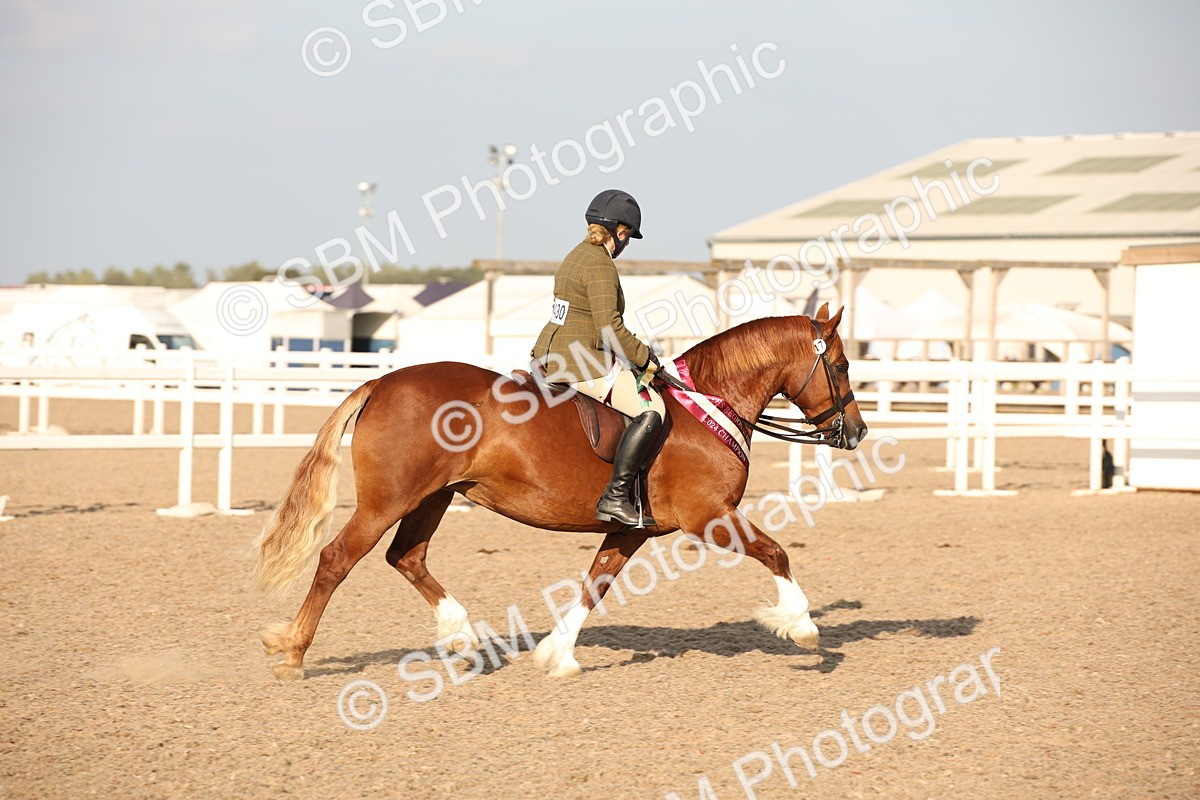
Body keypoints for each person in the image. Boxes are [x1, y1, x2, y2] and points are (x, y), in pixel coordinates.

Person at [531, 189, 665, 528]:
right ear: (620, 232)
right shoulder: (600, 264)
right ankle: (616, 497)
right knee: (652, 410)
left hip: (551, 350)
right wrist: (644, 357)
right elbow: (608, 326)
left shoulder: (576, 254)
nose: (628, 243)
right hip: (578, 359)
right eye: (629, 237)